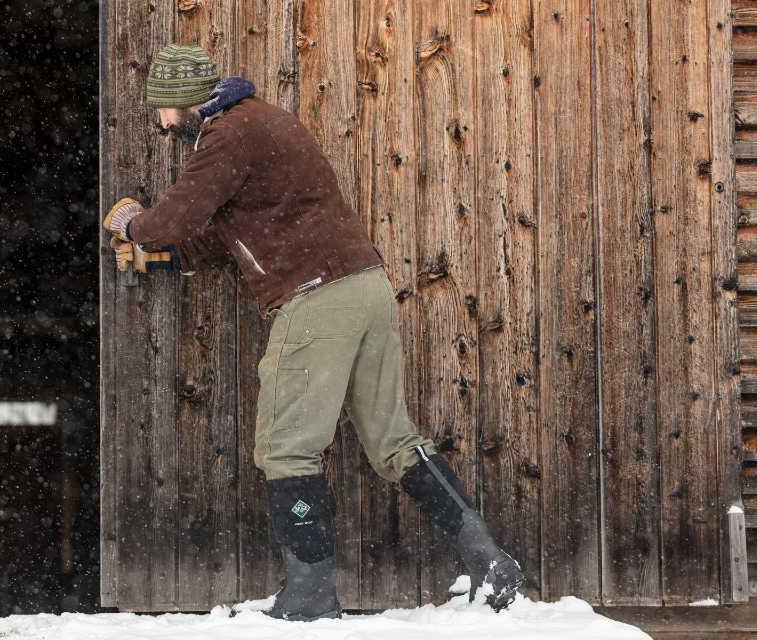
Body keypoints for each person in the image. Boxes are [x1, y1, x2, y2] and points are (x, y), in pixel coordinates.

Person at [103, 43, 524, 621]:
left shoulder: (227, 133)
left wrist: (134, 225)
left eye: (164, 109)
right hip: (364, 287)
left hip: (316, 296)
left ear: (185, 100)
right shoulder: (260, 123)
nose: (162, 123)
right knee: (393, 441)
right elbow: (228, 234)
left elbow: (174, 219)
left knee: (286, 446)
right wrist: (164, 258)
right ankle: (489, 561)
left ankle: (309, 593)